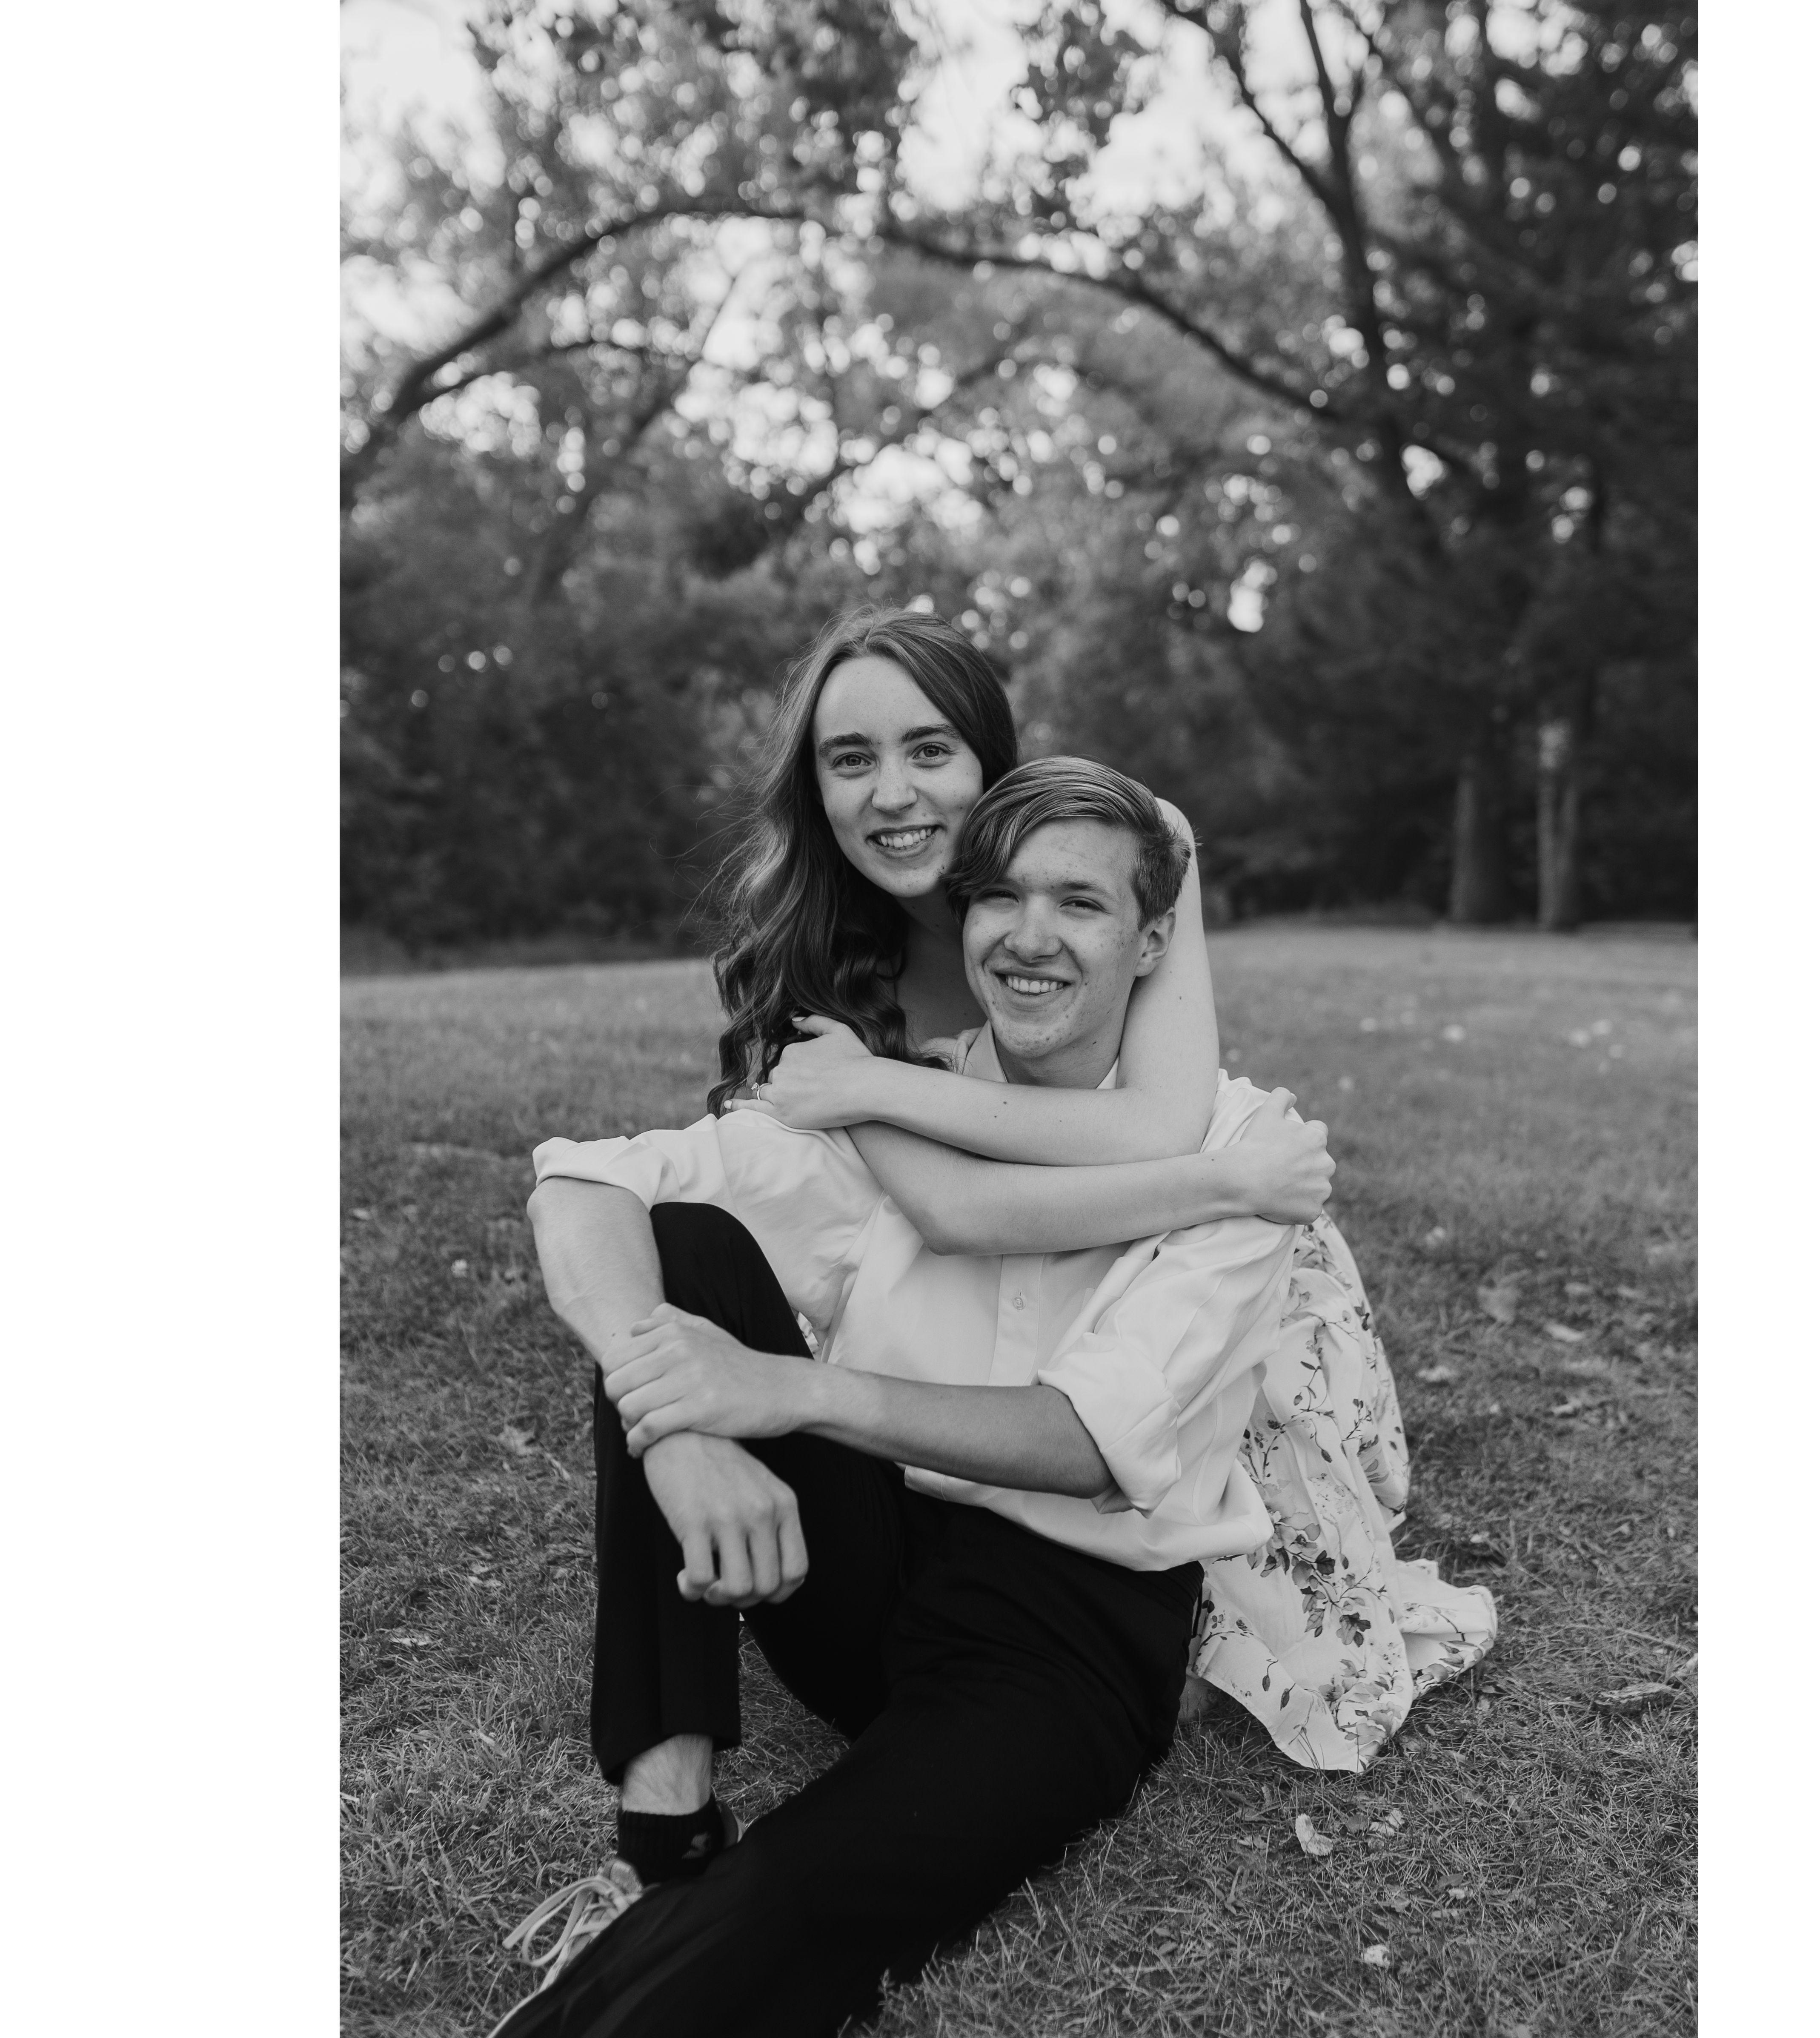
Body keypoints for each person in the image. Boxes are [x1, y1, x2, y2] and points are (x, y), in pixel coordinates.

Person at [502, 760, 1318, 2038]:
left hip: (1067, 1634)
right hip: (866, 1570)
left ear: (1154, 939)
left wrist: (788, 1390)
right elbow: (585, 1186)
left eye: (1080, 903)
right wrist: (677, 1432)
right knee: (685, 1248)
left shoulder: (1244, 1151)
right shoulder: (887, 1097)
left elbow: (1081, 1440)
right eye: (999, 897)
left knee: (806, 1892)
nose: (1030, 936)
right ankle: (663, 1821)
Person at [705, 605, 1495, 1774]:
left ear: (991, 756)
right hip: (1058, 1230)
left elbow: (1156, 1123)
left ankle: (1192, 1592)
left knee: (1211, 1458)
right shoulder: (820, 965)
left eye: (930, 750)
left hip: (1183, 1219)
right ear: (813, 786)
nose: (892, 794)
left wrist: (883, 1085)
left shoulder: (1137, 839)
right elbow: (954, 1212)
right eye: (851, 759)